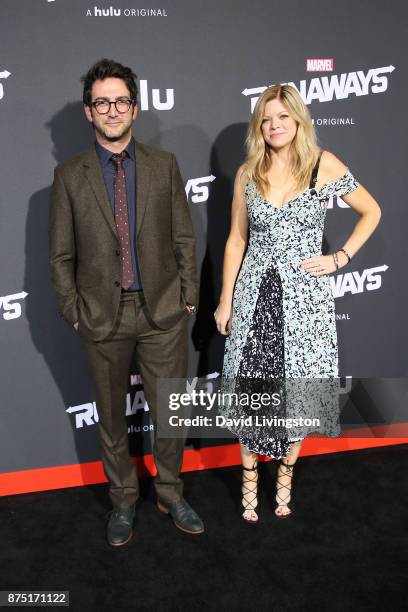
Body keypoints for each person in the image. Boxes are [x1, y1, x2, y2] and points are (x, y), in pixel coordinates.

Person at [49, 58, 204, 546]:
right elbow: (59, 254)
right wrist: (74, 311)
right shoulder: (68, 175)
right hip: (101, 317)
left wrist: (188, 301)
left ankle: (170, 491)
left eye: (120, 101)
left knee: (170, 413)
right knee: (112, 419)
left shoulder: (164, 164)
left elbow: (184, 237)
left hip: (162, 313)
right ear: (88, 112)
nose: (112, 110)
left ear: (135, 109)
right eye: (102, 102)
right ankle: (122, 501)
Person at [214, 84, 381, 522]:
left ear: (299, 121)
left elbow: (371, 211)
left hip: (305, 301)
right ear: (259, 126)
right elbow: (236, 239)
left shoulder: (323, 165)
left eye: (283, 117)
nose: (275, 125)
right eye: (266, 119)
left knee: (298, 395)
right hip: (254, 296)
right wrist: (225, 300)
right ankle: (250, 477)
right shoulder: (247, 172)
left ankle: (285, 473)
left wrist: (340, 257)